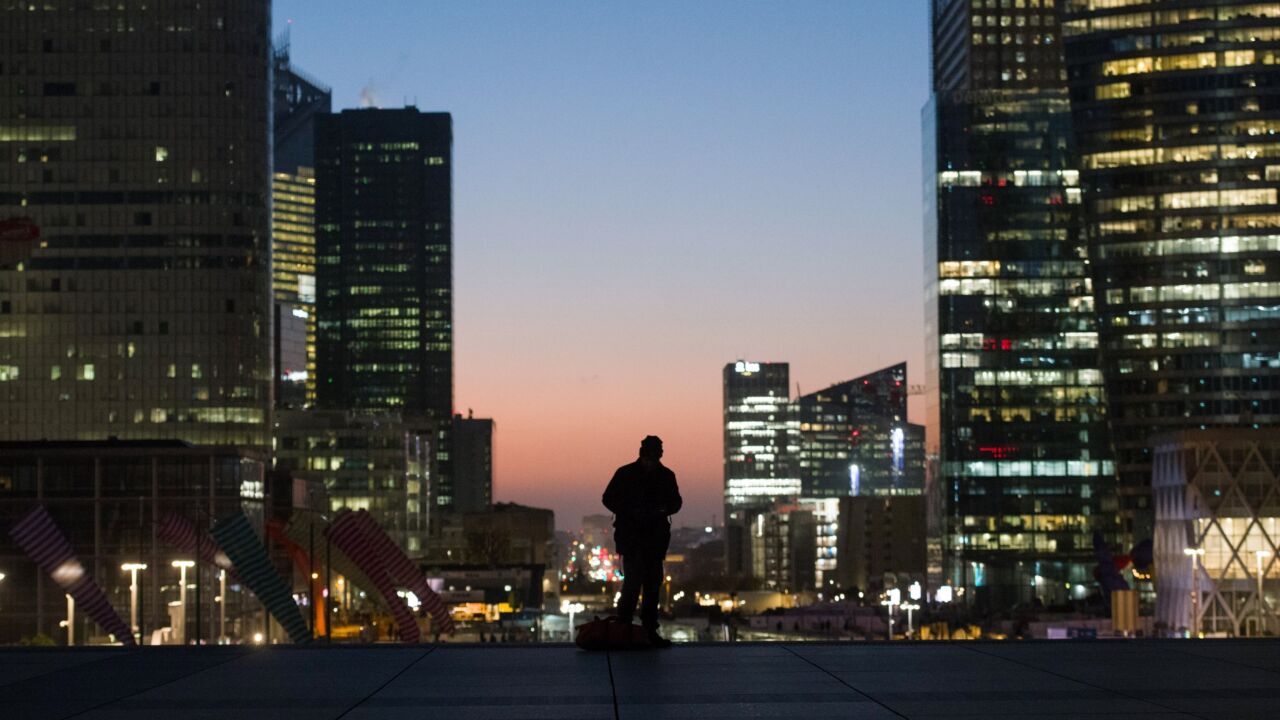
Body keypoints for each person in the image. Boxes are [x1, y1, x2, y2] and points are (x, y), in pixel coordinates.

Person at [602, 435, 682, 648]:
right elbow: (608, 498)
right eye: (648, 459)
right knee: (633, 584)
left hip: (652, 539)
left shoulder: (663, 476)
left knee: (652, 585)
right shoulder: (628, 474)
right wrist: (631, 511)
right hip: (634, 539)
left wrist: (660, 510)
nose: (650, 463)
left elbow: (676, 503)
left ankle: (645, 630)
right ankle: (626, 629)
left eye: (653, 459)